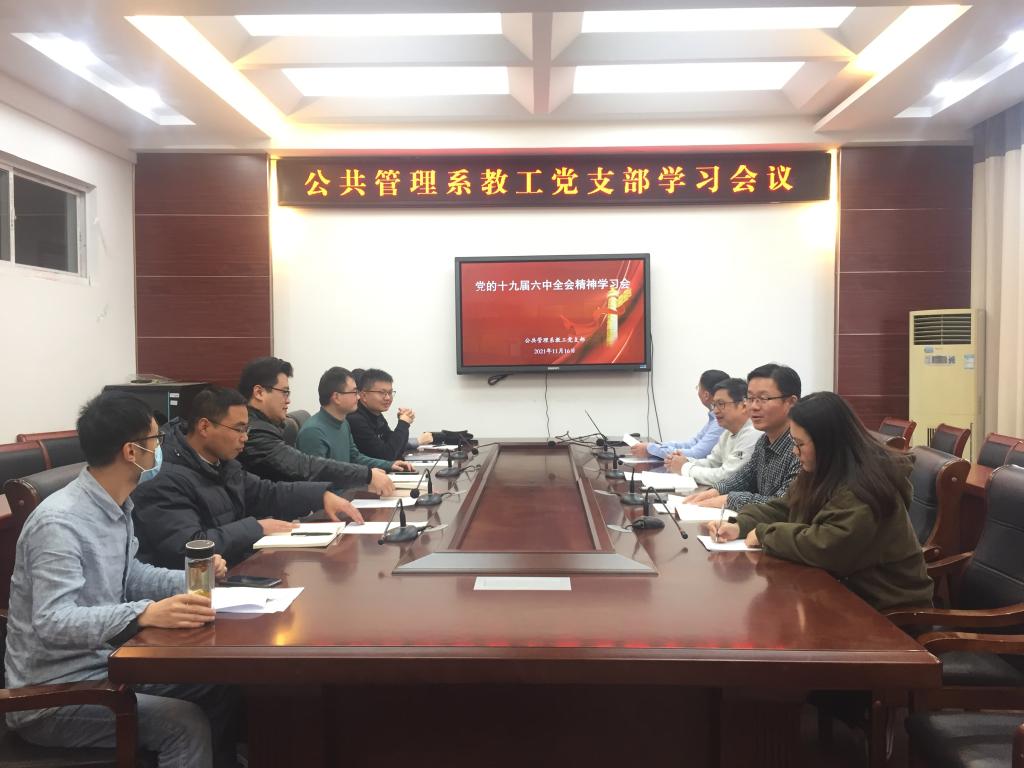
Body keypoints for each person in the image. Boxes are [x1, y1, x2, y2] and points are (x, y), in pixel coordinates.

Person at [5, 391, 239, 767]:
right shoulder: (59, 523)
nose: (161, 449)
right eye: (156, 440)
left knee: (217, 683)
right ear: (132, 452)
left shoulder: (116, 505)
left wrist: (195, 581)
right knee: (185, 723)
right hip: (54, 694)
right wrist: (144, 613)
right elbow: (52, 621)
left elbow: (131, 575)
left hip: (107, 665)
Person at [707, 392, 933, 612]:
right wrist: (741, 525)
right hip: (841, 593)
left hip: (884, 609)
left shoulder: (865, 486)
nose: (795, 452)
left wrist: (765, 534)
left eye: (800, 444)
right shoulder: (824, 469)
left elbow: (828, 546)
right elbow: (785, 506)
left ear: (827, 443)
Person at [132, 386, 364, 569]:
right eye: (239, 429)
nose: (245, 438)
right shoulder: (164, 477)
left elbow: (267, 493)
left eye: (247, 429)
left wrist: (320, 496)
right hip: (197, 589)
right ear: (204, 427)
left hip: (236, 570)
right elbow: (188, 547)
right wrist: (257, 527)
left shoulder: (223, 465)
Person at [236, 356, 395, 496]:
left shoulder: (270, 427)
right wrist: (366, 476)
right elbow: (306, 466)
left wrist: (384, 468)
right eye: (284, 392)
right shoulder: (254, 432)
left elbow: (353, 457)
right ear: (259, 393)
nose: (288, 400)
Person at [685, 363, 801, 511]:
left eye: (763, 398)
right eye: (750, 398)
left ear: (791, 403)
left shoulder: (801, 448)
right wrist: (715, 491)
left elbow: (783, 504)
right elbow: (744, 477)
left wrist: (730, 499)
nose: (754, 406)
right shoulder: (763, 441)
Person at [297, 366, 415, 472]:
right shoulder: (313, 431)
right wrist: (367, 476)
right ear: (336, 397)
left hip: (348, 486)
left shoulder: (343, 423)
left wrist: (389, 465)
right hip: (337, 489)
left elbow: (355, 457)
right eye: (354, 392)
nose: (358, 397)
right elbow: (319, 479)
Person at [666, 377, 761, 487]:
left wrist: (685, 468)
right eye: (714, 405)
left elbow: (727, 477)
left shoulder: (753, 433)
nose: (715, 410)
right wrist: (685, 460)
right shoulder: (727, 433)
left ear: (743, 405)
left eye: (721, 404)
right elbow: (712, 462)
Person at [630, 369, 728, 460]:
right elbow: (692, 444)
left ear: (706, 395)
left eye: (698, 387)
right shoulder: (714, 418)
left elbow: (697, 454)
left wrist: (652, 449)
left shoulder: (721, 422)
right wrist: (656, 447)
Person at [347, 367, 434, 461]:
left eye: (390, 392)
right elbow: (387, 455)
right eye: (382, 393)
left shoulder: (376, 415)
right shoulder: (355, 419)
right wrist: (403, 424)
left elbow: (397, 449)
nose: (388, 398)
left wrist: (403, 423)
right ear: (363, 395)